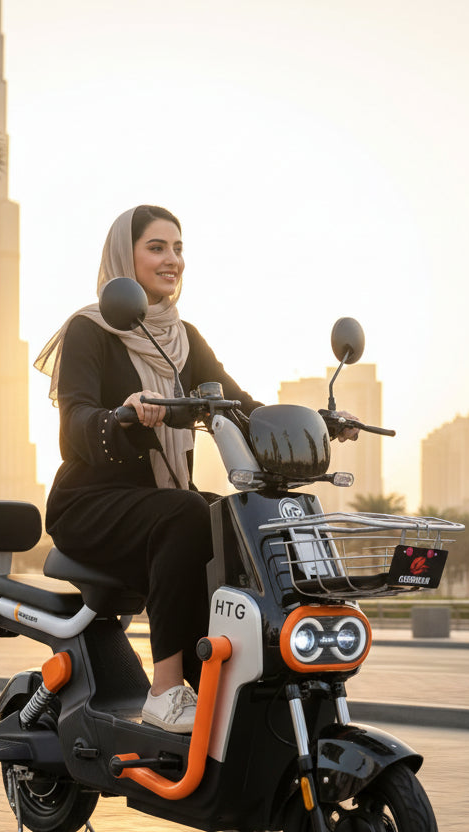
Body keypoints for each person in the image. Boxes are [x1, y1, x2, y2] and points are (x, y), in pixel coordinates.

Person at [36, 205, 358, 733]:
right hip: (91, 502)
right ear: (125, 257)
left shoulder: (182, 337)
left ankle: (233, 676)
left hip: (160, 503)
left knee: (236, 517)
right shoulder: (89, 330)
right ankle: (164, 692)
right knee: (188, 512)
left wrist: (322, 424)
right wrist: (122, 415)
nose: (172, 260)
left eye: (178, 248)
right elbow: (75, 423)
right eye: (157, 247)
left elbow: (242, 407)